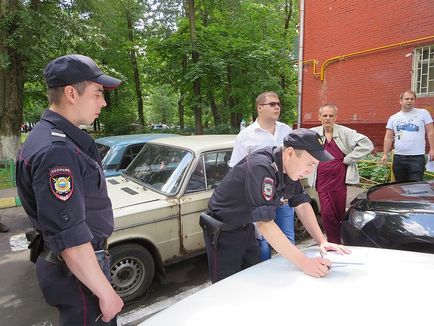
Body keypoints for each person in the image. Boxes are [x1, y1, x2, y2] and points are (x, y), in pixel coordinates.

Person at [16, 54, 123, 325]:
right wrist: (106, 292)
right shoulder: (57, 152)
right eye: (97, 93)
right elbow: (71, 239)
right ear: (72, 93)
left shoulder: (52, 137)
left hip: (75, 269)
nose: (103, 102)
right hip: (78, 274)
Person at [201, 128, 351, 283]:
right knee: (227, 286)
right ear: (291, 153)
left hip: (246, 227)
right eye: (309, 164)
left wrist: (322, 241)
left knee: (253, 279)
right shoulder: (261, 166)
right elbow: (265, 223)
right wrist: (305, 263)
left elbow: (302, 204)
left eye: (314, 165)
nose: (310, 171)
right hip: (223, 231)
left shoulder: (291, 168)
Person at [229, 91, 295, 261]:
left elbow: (293, 162)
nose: (277, 107)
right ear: (259, 108)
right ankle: (267, 279)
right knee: (263, 243)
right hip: (260, 201)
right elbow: (236, 169)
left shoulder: (286, 130)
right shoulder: (246, 136)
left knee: (288, 239)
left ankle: (291, 275)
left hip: (283, 198)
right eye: (272, 104)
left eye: (278, 104)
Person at [309, 104, 373, 244]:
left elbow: (367, 145)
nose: (327, 118)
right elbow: (299, 146)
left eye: (331, 115)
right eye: (324, 115)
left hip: (339, 177)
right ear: (319, 117)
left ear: (336, 117)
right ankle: (333, 242)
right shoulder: (312, 133)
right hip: (322, 179)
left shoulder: (346, 132)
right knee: (326, 213)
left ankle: (341, 239)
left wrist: (348, 159)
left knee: (338, 211)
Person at [380, 90, 434, 182]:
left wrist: (432, 149)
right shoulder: (393, 118)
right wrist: (385, 154)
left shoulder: (423, 113)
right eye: (407, 99)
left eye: (412, 99)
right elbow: (388, 138)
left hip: (417, 157)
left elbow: (430, 132)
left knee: (416, 187)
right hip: (399, 157)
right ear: (400, 101)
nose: (409, 101)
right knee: (400, 187)